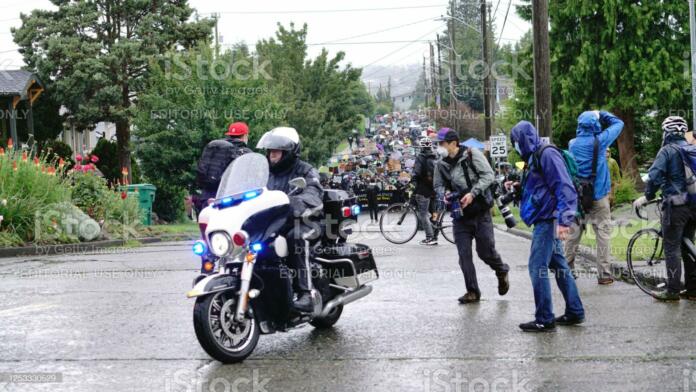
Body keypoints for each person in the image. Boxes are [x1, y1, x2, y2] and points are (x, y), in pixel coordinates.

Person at [510, 121, 585, 332]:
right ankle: (574, 311)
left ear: (522, 139)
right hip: (548, 217)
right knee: (559, 266)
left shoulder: (546, 154)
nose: (515, 146)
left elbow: (564, 186)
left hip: (549, 219)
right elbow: (541, 185)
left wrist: (564, 220)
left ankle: (544, 318)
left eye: (516, 141)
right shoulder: (535, 156)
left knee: (537, 267)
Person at [433, 128, 510, 304]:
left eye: (442, 143)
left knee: (485, 252)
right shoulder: (440, 164)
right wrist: (444, 194)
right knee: (464, 255)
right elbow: (437, 186)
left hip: (480, 211)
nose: (439, 147)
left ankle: (501, 270)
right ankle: (472, 291)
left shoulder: (471, 154)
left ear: (453, 143)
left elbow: (489, 175)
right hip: (459, 215)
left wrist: (473, 193)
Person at [256, 127, 324, 312]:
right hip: (273, 224)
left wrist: (296, 203)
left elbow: (314, 194)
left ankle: (306, 294)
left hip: (307, 222)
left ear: (288, 152)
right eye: (270, 151)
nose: (272, 155)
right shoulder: (264, 172)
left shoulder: (305, 170)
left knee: (297, 237)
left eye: (276, 151)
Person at [634, 116, 696, 301]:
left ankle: (672, 291)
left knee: (672, 248)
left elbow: (653, 177)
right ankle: (693, 289)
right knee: (688, 246)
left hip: (676, 207)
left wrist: (647, 197)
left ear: (666, 132)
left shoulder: (667, 150)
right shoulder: (692, 149)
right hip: (694, 205)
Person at [565, 110, 624, 285]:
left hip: (578, 197)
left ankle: (567, 270)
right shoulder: (601, 140)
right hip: (599, 196)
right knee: (603, 235)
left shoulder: (572, 144)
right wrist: (602, 113)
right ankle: (604, 275)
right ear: (595, 125)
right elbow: (619, 123)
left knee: (573, 234)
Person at [194, 122, 252, 213]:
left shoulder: (215, 147)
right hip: (230, 198)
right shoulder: (246, 153)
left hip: (207, 195)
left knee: (207, 224)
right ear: (245, 136)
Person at [413, 137, 438, 245]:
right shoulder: (435, 157)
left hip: (423, 189)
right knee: (433, 213)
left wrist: (412, 179)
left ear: (422, 147)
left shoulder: (420, 157)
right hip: (433, 189)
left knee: (423, 214)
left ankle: (430, 237)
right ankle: (435, 234)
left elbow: (417, 172)